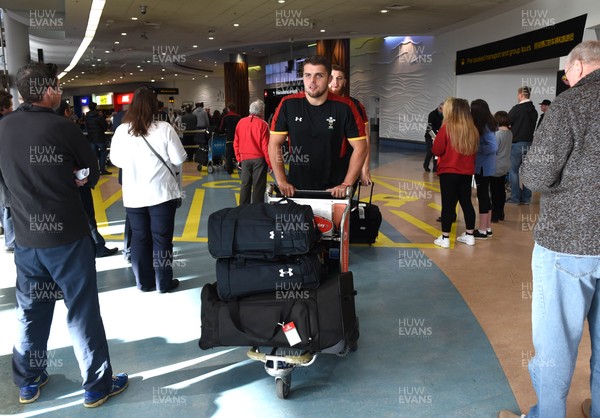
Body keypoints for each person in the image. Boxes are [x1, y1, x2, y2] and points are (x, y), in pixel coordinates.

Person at [0, 62, 127, 407]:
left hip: (27, 240)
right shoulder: (62, 127)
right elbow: (92, 169)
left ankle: (29, 380)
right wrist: (73, 175)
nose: (59, 91)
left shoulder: (4, 127)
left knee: (31, 311)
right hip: (67, 236)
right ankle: (97, 385)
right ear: (46, 92)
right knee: (81, 309)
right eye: (56, 86)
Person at [498, 40, 600, 418]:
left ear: (577, 68)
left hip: (569, 243)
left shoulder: (570, 104)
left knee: (556, 346)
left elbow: (537, 175)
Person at [110, 87, 187, 293]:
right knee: (161, 239)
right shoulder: (164, 128)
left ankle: (143, 283)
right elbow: (179, 158)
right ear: (154, 106)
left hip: (134, 195)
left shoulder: (121, 131)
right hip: (162, 194)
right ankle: (163, 283)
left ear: (132, 106)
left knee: (139, 238)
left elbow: (116, 160)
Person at [269, 55, 367, 198]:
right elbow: (274, 144)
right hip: (296, 188)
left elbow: (361, 147)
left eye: (319, 76)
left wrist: (346, 184)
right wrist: (282, 181)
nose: (312, 81)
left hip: (334, 190)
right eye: (307, 75)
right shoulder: (288, 104)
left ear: (328, 79)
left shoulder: (345, 107)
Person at [57, 101, 119, 258]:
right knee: (87, 213)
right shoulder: (69, 128)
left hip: (59, 184)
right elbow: (83, 157)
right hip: (78, 180)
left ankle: (87, 245)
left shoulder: (45, 130)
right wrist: (89, 177)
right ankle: (97, 245)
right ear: (65, 112)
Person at [431, 97, 479, 248]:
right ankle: (470, 235)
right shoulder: (472, 129)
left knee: (448, 204)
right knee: (466, 202)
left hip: (448, 171)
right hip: (466, 172)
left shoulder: (447, 128)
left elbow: (437, 150)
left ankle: (445, 238)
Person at [328, 64, 372, 185]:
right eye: (332, 78)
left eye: (339, 78)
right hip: (323, 167)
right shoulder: (317, 104)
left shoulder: (356, 105)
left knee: (345, 201)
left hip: (348, 166)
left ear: (345, 82)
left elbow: (366, 138)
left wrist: (364, 169)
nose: (335, 82)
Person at [234, 99, 271, 204]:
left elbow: (236, 143)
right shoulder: (263, 124)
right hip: (259, 159)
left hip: (245, 159)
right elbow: (266, 147)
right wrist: (270, 164)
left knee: (245, 185)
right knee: (258, 186)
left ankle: (243, 209)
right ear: (261, 111)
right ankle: (256, 210)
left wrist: (239, 159)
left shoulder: (240, 122)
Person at [470, 99, 498, 239]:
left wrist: (477, 148)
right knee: (486, 195)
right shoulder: (489, 124)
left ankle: (482, 230)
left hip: (483, 166)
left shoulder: (485, 127)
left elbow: (493, 146)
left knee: (483, 196)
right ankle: (487, 228)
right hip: (487, 166)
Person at [507, 86, 537, 205]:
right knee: (527, 172)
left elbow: (506, 122)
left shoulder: (517, 109)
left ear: (520, 95)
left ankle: (514, 198)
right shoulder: (534, 111)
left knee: (513, 171)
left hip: (517, 144)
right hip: (530, 144)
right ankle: (526, 198)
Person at [490, 111, 512, 223]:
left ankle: (495, 215)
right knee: (501, 189)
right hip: (505, 164)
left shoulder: (497, 134)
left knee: (494, 191)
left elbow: (493, 149)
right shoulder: (509, 133)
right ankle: (501, 212)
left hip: (496, 165)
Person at [0, 90, 14, 252]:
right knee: (8, 203)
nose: (12, 109)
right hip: (4, 169)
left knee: (4, 203)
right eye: (9, 106)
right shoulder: (5, 124)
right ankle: (11, 240)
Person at [85, 101, 111, 175]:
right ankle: (102, 170)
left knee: (94, 156)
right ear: (95, 107)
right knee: (103, 154)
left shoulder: (86, 117)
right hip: (100, 138)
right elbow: (105, 126)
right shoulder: (99, 117)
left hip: (91, 139)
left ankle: (95, 171)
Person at [219, 103, 241, 174]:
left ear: (228, 109)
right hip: (237, 139)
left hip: (229, 138)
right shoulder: (238, 117)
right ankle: (241, 166)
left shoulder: (225, 117)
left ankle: (230, 170)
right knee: (239, 153)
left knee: (229, 155)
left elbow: (221, 129)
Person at [423, 102, 444, 173]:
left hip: (438, 136)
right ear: (440, 108)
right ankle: (426, 165)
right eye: (444, 110)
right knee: (430, 152)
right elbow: (429, 128)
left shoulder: (444, 115)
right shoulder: (432, 114)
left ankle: (436, 167)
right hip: (429, 136)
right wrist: (434, 137)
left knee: (436, 153)